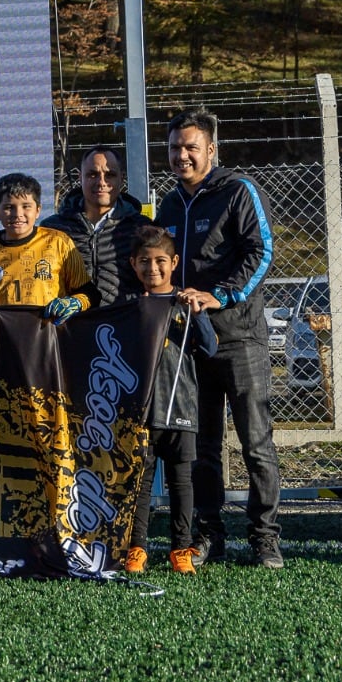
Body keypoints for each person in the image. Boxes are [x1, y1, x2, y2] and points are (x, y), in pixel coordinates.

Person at [156, 109, 282, 569]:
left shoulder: (237, 190)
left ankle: (265, 538)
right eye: (174, 148)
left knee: (255, 444)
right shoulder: (169, 205)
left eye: (191, 147)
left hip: (240, 338)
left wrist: (222, 296)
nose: (182, 155)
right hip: (192, 344)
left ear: (211, 149)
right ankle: (211, 535)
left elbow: (263, 250)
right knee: (202, 447)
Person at [121, 226, 216, 576]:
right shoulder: (130, 306)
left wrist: (198, 313)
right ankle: (137, 548)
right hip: (141, 410)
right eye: (144, 261)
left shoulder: (186, 303)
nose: (153, 269)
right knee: (139, 481)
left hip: (180, 407)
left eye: (161, 261)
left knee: (181, 482)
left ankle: (180, 548)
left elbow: (209, 348)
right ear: (133, 263)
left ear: (174, 262)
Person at [0, 173, 98, 323]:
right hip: (1, 338)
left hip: (49, 337)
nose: (18, 214)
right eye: (9, 207)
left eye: (26, 206)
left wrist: (76, 303)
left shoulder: (59, 242)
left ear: (38, 210)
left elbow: (90, 293)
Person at [40, 145, 152, 306]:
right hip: (69, 325)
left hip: (124, 323)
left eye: (110, 175)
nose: (101, 182)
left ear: (122, 177)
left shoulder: (141, 228)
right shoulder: (52, 229)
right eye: (93, 174)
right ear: (80, 177)